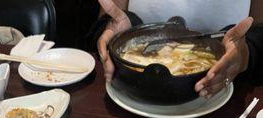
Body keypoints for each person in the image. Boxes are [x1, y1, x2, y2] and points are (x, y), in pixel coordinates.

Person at [96, 0, 263, 98]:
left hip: (221, 95)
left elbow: (259, 30)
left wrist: (246, 51)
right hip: (134, 87)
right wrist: (117, 31)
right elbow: (111, 16)